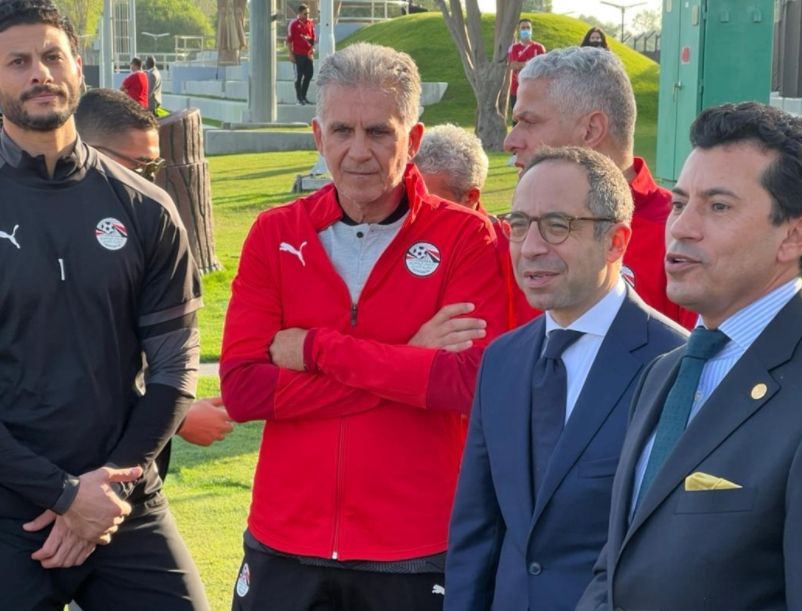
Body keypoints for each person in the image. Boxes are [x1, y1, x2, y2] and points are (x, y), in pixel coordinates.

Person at [575, 101, 802, 611]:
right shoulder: (666, 372)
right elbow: (621, 564)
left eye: (718, 207)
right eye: (679, 203)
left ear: (794, 236)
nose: (682, 227)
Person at [220, 42, 508, 611]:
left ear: (413, 139)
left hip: (415, 545)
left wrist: (316, 349)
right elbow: (244, 391)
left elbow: (469, 383)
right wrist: (410, 357)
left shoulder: (466, 237)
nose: (358, 151)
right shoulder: (274, 234)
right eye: (342, 131)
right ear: (317, 136)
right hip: (285, 538)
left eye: (379, 132)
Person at [0, 1, 208, 609]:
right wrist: (64, 495)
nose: (39, 73)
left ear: (78, 66)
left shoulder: (146, 207)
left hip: (123, 498)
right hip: (9, 505)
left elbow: (175, 367)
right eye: (17, 61)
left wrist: (105, 489)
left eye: (52, 56)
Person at [444, 146, 687, 611]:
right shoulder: (501, 361)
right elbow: (477, 532)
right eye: (519, 225)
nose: (531, 246)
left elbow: (678, 552)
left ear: (616, 241)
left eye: (557, 225)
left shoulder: (675, 364)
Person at [74, 88, 234, 479]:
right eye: (142, 167)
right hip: (51, 472)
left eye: (155, 167)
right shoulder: (35, 227)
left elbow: (167, 358)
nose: (150, 181)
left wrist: (174, 413)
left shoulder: (149, 223)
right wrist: (182, 420)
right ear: (87, 151)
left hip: (134, 466)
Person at [505, 46, 697, 329]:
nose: (510, 142)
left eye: (529, 122)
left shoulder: (684, 234)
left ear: (591, 130)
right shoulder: (507, 237)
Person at [414, 123, 538, 328]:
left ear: (470, 197)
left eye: (433, 203)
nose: (415, 209)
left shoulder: (512, 250)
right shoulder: (392, 233)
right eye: (410, 194)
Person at [507, 18, 545, 125]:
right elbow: (513, 65)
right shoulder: (513, 48)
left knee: (534, 119)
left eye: (528, 27)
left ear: (531, 29)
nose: (526, 30)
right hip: (517, 88)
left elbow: (543, 66)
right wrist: (532, 63)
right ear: (519, 30)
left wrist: (522, 64)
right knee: (517, 119)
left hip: (535, 89)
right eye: (523, 28)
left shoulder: (539, 47)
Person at [286, 3, 315, 105]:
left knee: (309, 74)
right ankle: (299, 98)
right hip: (298, 54)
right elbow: (289, 40)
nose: (307, 16)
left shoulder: (310, 23)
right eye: (305, 14)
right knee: (298, 76)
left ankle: (303, 95)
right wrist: (291, 54)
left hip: (308, 54)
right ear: (299, 13)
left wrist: (312, 50)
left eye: (308, 13)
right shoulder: (293, 24)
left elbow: (312, 38)